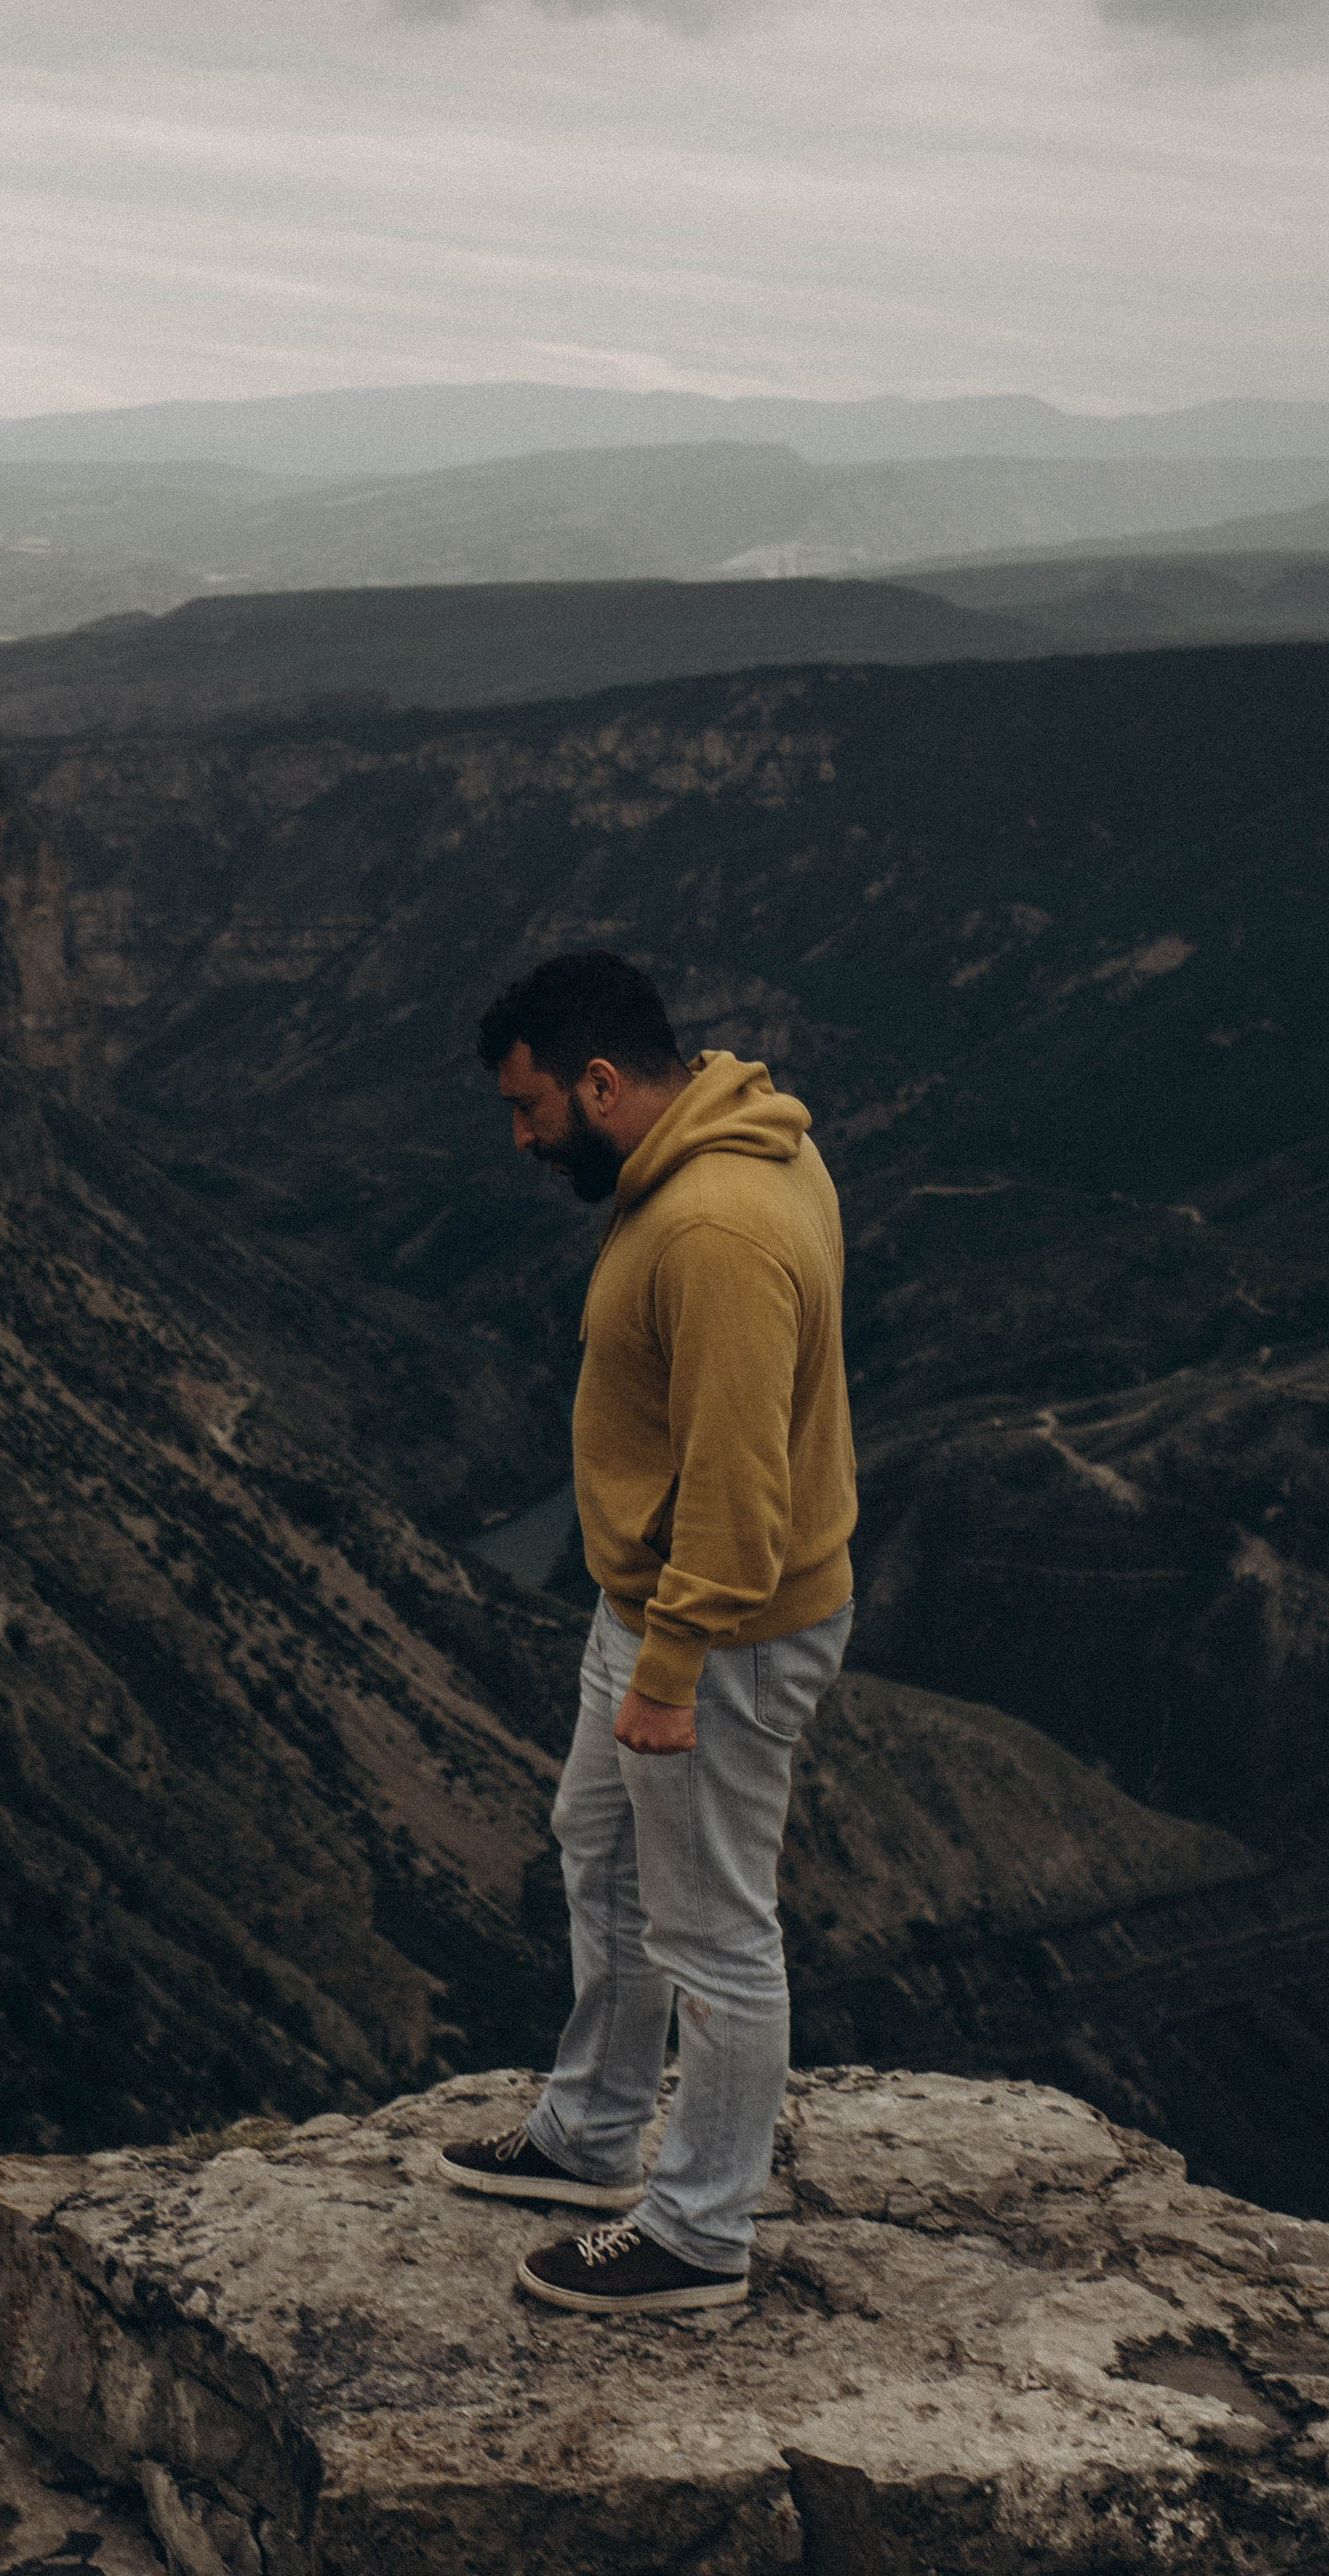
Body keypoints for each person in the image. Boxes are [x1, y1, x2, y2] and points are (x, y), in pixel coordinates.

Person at [439, 950, 856, 2312]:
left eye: (530, 1108)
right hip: (658, 1608)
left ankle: (698, 2233)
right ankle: (591, 2133)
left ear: (604, 1083)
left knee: (713, 1929)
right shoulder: (720, 1153)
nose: (521, 1138)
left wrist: (672, 1672)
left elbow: (739, 1492)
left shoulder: (714, 1229)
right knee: (601, 1851)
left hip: (717, 1631)